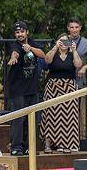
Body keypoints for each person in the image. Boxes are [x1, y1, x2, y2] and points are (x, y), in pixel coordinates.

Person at [6, 21, 46, 156]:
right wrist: (13, 57)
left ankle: (30, 147)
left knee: (32, 118)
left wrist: (31, 49)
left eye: (22, 31)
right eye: (17, 32)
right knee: (18, 118)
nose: (20, 34)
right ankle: (16, 147)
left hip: (32, 89)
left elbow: (43, 55)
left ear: (26, 32)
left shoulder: (32, 43)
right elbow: (15, 53)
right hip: (18, 89)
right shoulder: (14, 45)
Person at [43, 33, 82, 153]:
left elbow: (78, 65)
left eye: (66, 41)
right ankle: (48, 145)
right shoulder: (53, 53)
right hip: (52, 88)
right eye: (61, 41)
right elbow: (47, 60)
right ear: (57, 42)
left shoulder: (72, 55)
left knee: (69, 116)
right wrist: (55, 47)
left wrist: (74, 51)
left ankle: (66, 144)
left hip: (69, 87)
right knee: (50, 116)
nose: (64, 44)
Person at [65, 18, 87, 88]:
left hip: (78, 81)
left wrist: (84, 67)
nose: (74, 30)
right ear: (68, 28)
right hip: (62, 80)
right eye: (72, 27)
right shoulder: (63, 40)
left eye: (76, 27)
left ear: (80, 27)